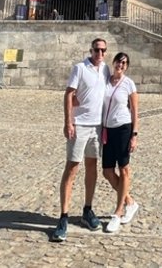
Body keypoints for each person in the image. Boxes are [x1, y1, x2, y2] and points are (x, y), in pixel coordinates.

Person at [51, 37, 110, 242]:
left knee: (92, 167)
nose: (100, 54)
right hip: (80, 125)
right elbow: (69, 94)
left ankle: (87, 210)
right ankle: (64, 217)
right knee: (72, 168)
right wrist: (68, 122)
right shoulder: (80, 68)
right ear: (91, 50)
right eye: (96, 50)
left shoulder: (105, 69)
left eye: (103, 51)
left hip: (97, 126)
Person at [102, 51, 139, 233]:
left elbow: (134, 111)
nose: (121, 65)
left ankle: (117, 213)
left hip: (123, 128)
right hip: (108, 130)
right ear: (114, 62)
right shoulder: (106, 80)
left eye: (124, 63)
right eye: (119, 62)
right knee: (107, 171)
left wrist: (134, 134)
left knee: (124, 169)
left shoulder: (129, 84)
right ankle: (130, 201)